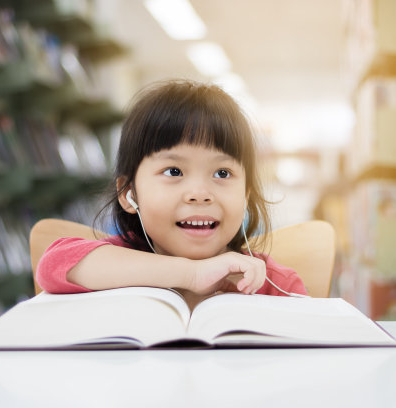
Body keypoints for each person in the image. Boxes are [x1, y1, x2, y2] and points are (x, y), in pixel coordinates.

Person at [36, 80, 307, 306]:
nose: (200, 194)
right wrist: (191, 274)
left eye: (222, 173)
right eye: (174, 172)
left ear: (245, 195)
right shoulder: (113, 264)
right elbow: (53, 265)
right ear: (129, 194)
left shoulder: (274, 284)